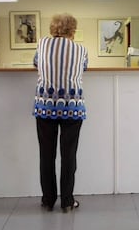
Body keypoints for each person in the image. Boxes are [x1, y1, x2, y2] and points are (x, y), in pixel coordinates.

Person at [33, 13, 88, 213]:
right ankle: (67, 201)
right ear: (73, 30)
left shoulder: (42, 44)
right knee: (69, 155)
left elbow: (35, 65)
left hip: (45, 106)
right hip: (72, 107)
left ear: (53, 27)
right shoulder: (81, 49)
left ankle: (48, 200)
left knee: (46, 155)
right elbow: (83, 69)